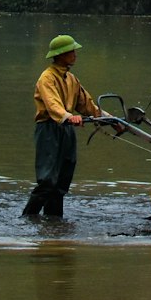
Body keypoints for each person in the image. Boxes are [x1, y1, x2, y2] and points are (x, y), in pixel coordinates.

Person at [22, 34, 103, 217]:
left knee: (61, 183)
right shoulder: (47, 78)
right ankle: (27, 218)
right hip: (49, 130)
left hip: (66, 131)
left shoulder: (72, 79)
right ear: (60, 55)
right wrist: (68, 116)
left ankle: (54, 223)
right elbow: (53, 105)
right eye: (71, 51)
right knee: (47, 181)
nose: (75, 54)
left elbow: (87, 105)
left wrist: (111, 120)